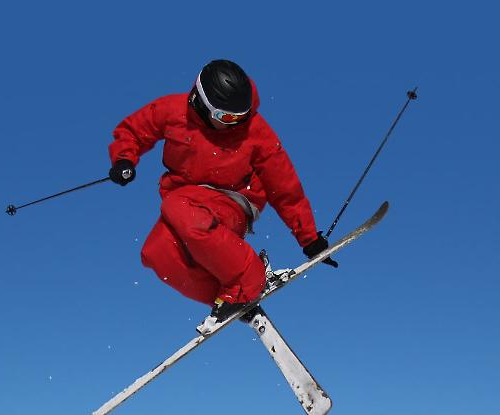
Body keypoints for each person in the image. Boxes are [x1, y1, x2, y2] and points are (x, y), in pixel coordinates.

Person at [108, 59, 336, 332]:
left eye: (241, 116)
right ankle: (230, 299)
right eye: (227, 118)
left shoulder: (255, 130)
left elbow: (285, 186)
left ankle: (249, 277)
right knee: (156, 252)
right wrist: (124, 159)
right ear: (201, 103)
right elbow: (134, 130)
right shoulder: (173, 110)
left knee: (176, 206)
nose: (235, 124)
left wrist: (308, 238)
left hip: (233, 200)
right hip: (187, 202)